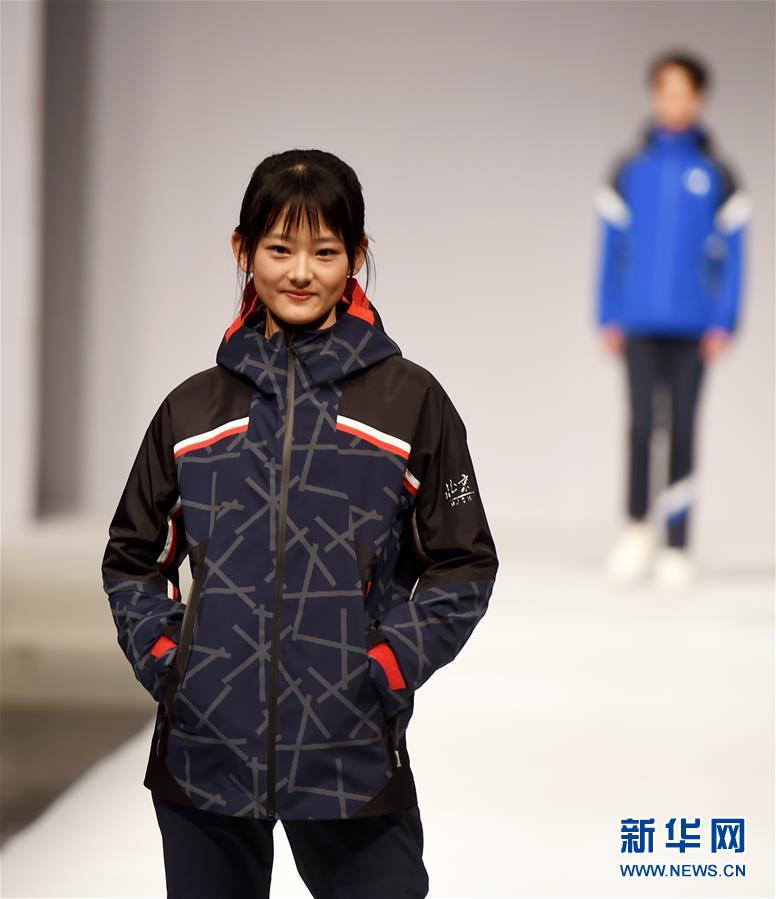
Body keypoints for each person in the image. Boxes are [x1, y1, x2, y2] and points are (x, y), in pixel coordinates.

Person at [101, 148, 499, 898]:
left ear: (358, 256)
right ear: (242, 250)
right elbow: (132, 557)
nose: (300, 273)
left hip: (349, 751)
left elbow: (464, 562)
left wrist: (386, 668)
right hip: (206, 753)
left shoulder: (411, 403)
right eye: (280, 249)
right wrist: (173, 664)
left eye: (325, 252)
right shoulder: (192, 411)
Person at [594, 50, 751, 590]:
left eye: (683, 91)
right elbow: (611, 248)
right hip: (639, 323)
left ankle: (677, 544)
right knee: (641, 426)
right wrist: (608, 313)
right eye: (665, 90)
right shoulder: (629, 170)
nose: (673, 101)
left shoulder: (719, 175)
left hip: (693, 327)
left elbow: (735, 256)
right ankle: (637, 530)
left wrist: (725, 319)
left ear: (698, 98)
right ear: (654, 95)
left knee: (683, 428)